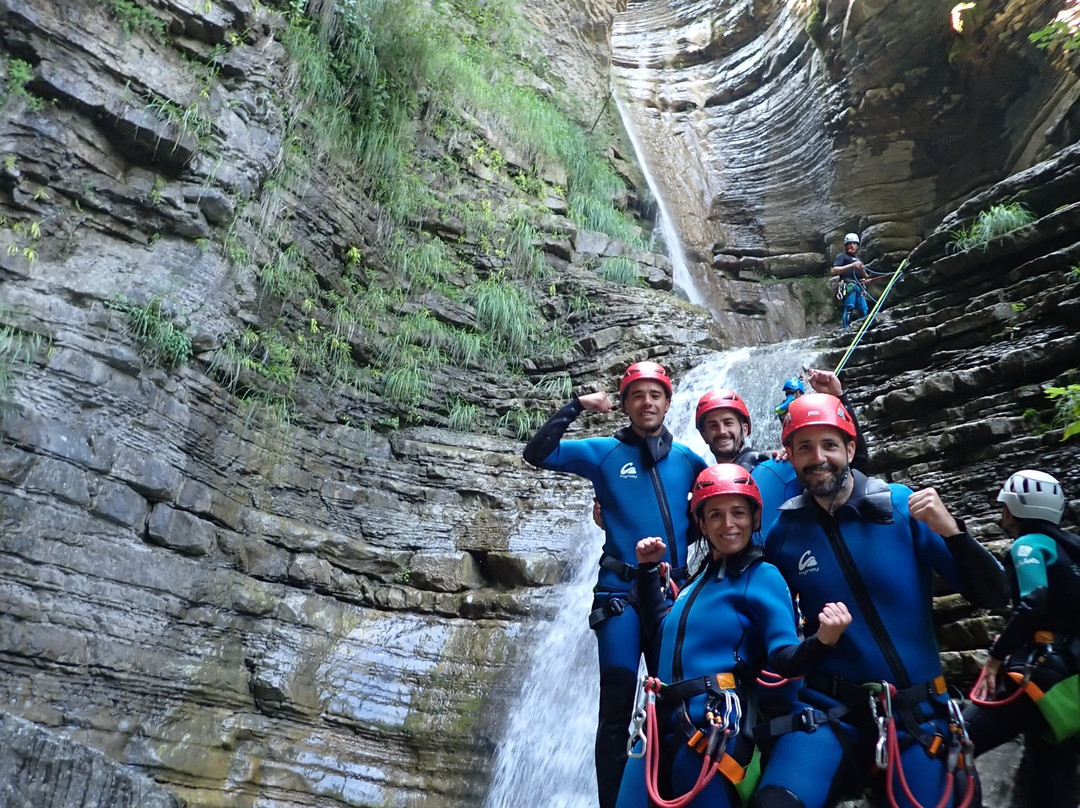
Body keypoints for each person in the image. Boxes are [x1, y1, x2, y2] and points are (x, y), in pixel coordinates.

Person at [752, 393, 1010, 808]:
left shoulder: (902, 508)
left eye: (829, 445)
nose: (818, 458)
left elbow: (994, 594)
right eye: (804, 447)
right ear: (790, 457)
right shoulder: (784, 534)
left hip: (916, 713)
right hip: (830, 712)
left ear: (850, 447)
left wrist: (954, 533)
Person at [522, 360, 708, 808]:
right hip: (620, 596)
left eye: (655, 394)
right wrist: (576, 405)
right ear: (624, 404)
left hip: (671, 596)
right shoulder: (603, 452)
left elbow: (720, 508)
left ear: (668, 402)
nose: (647, 402)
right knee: (616, 710)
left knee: (673, 706)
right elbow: (538, 453)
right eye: (637, 395)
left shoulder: (688, 460)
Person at [616, 464, 852, 808]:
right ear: (701, 524)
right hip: (655, 729)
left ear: (755, 519)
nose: (728, 524)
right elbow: (660, 638)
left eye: (738, 512)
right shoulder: (697, 581)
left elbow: (783, 658)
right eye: (715, 515)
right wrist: (649, 570)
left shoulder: (762, 576)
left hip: (712, 729)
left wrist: (823, 640)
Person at [964, 470, 1080, 808]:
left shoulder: (1029, 544)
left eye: (1005, 506)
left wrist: (996, 657)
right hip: (1070, 682)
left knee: (955, 744)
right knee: (1049, 785)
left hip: (1040, 673)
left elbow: (1033, 601)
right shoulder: (1073, 548)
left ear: (1014, 509)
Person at [830, 233, 871, 330]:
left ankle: (863, 329)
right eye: (849, 244)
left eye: (854, 243)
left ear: (857, 246)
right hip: (849, 285)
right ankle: (846, 329)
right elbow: (834, 270)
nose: (852, 246)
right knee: (849, 307)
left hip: (859, 286)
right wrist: (852, 265)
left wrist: (864, 274)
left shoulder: (859, 259)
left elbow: (865, 275)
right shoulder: (842, 256)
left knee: (864, 309)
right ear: (846, 246)